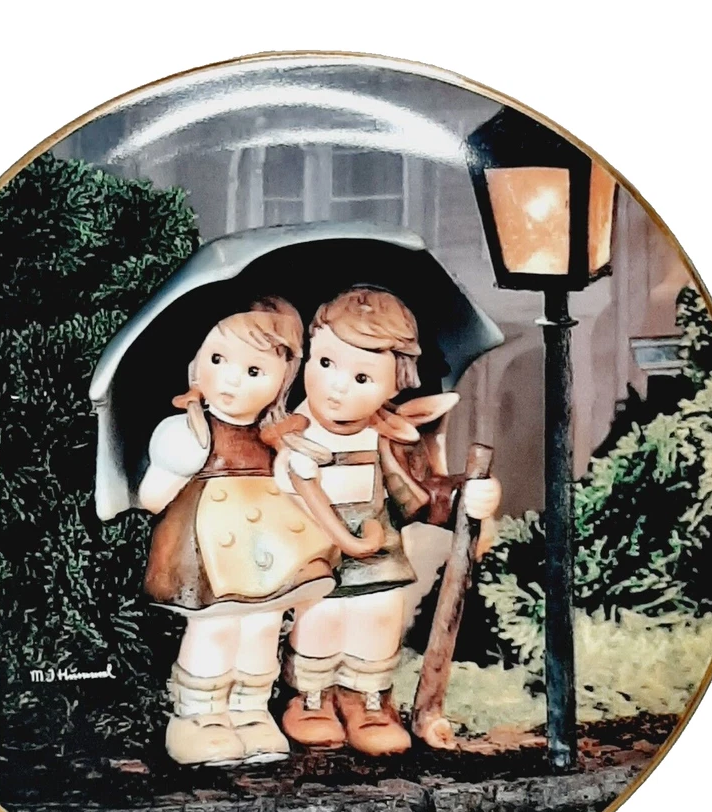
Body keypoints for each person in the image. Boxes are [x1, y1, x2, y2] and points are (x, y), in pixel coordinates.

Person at [275, 287, 502, 755]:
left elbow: (422, 493)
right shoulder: (288, 432)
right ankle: (312, 697)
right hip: (312, 553)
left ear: (396, 384)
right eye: (326, 364)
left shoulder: (390, 440)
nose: (337, 386)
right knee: (320, 615)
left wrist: (469, 497)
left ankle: (369, 700)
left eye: (361, 377)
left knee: (377, 616)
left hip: (377, 554)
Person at [137, 297, 339, 767]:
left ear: (282, 380)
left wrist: (297, 468)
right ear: (195, 363)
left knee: (264, 624)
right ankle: (199, 715)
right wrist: (171, 466)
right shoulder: (190, 433)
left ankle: (250, 710)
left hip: (270, 543)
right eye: (217, 360)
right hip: (209, 542)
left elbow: (293, 484)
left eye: (253, 371)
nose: (231, 380)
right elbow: (152, 498)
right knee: (215, 625)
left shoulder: (273, 437)